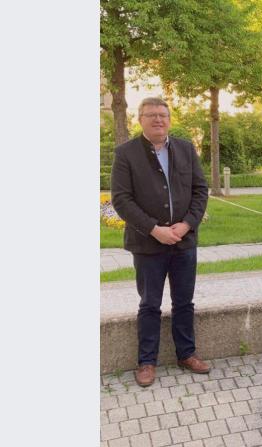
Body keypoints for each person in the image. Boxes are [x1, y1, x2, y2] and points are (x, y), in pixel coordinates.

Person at [111, 97, 210, 387]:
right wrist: (154, 229)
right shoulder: (126, 153)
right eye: (151, 115)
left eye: (162, 115)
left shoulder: (185, 149)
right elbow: (121, 199)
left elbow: (200, 190)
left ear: (169, 119)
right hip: (147, 244)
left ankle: (186, 354)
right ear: (139, 119)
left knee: (184, 301)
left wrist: (187, 224)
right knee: (150, 303)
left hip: (183, 241)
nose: (158, 120)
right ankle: (147, 362)